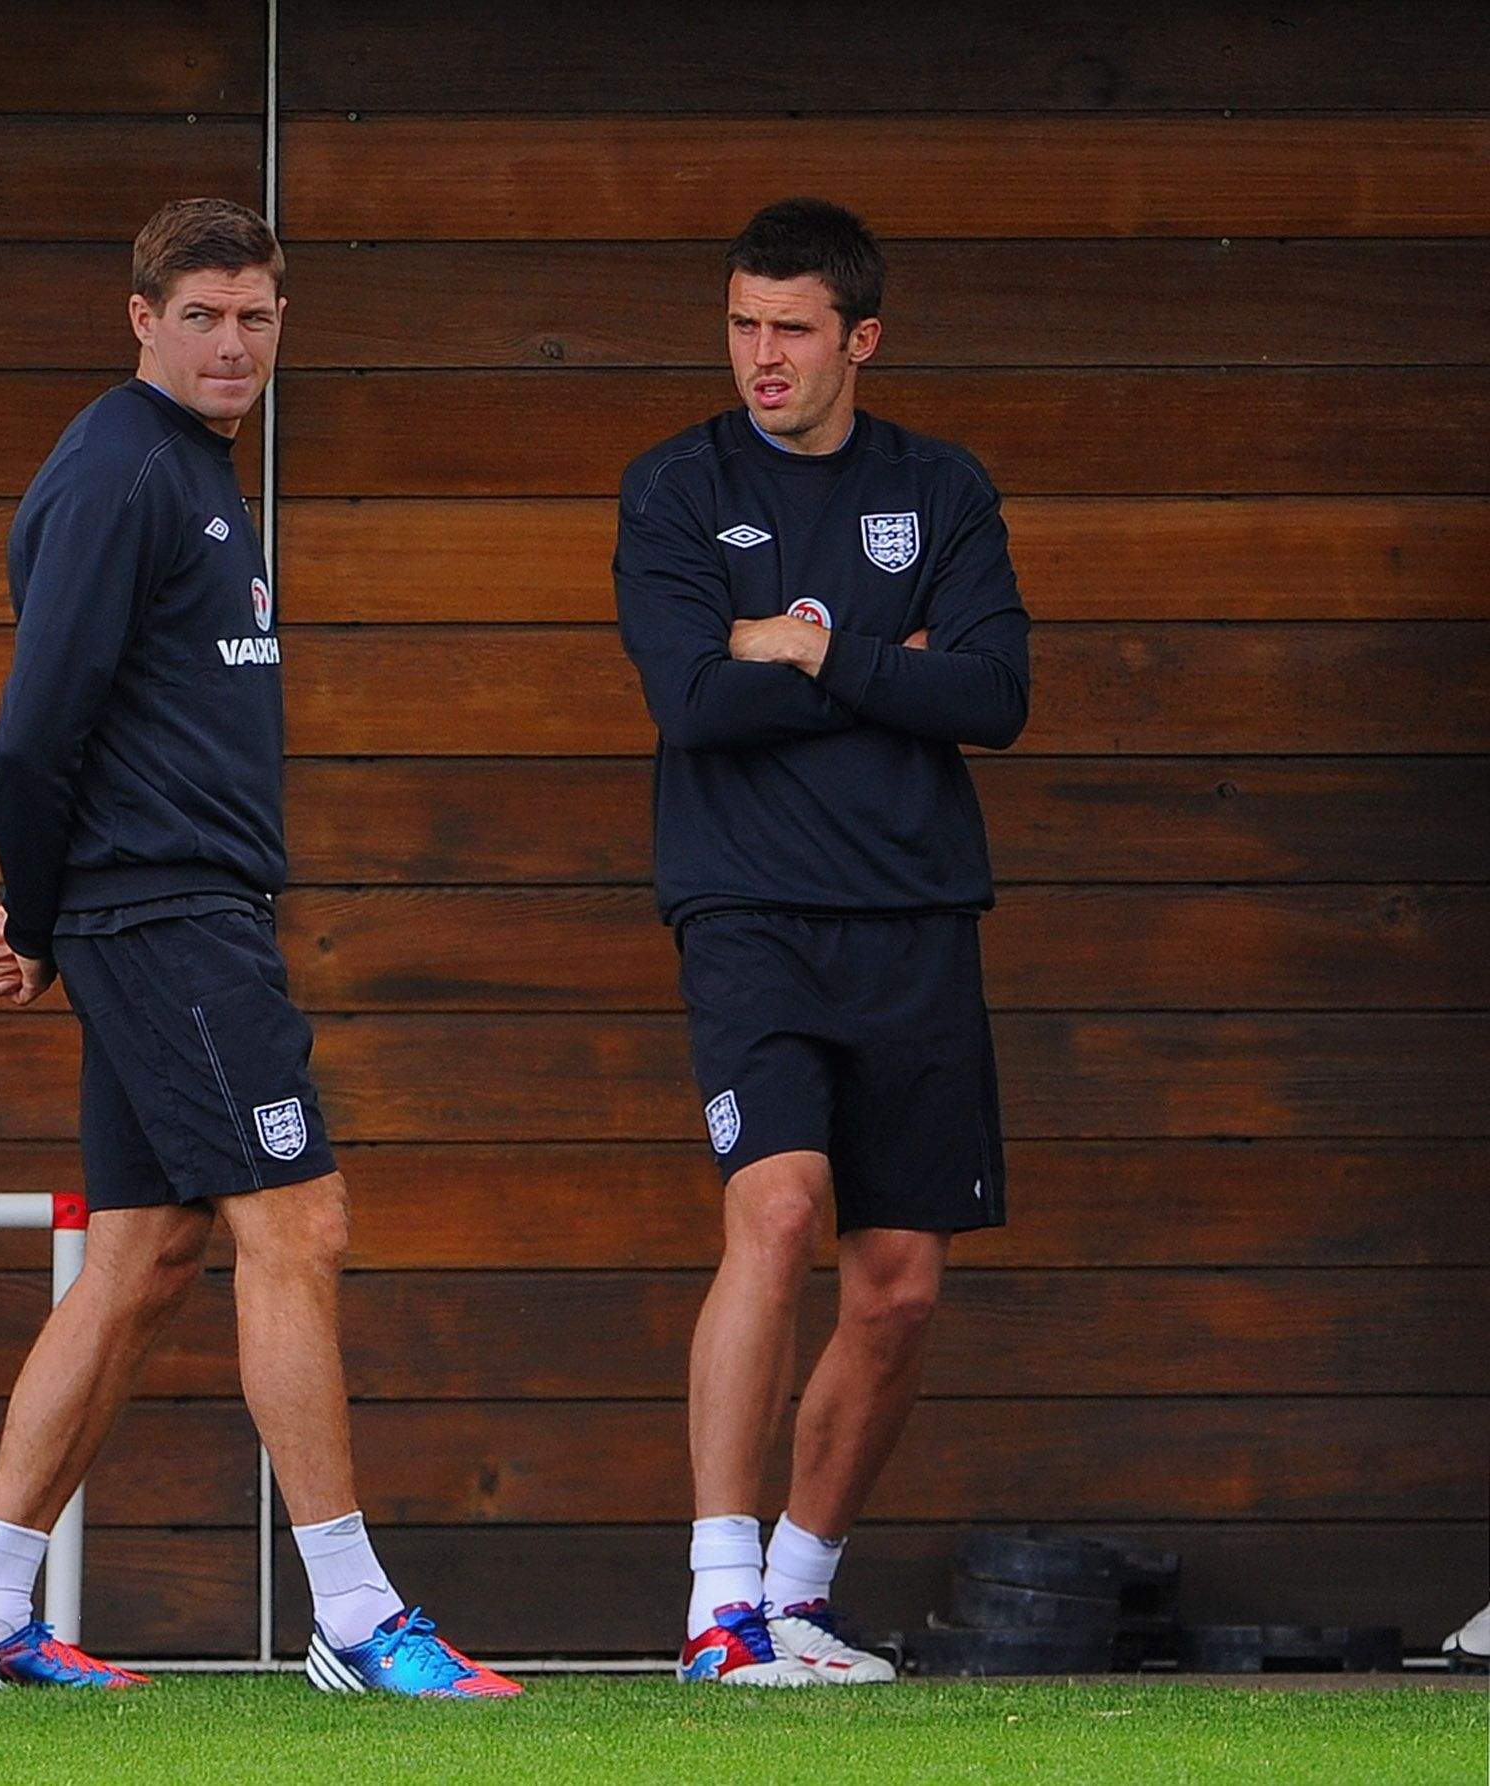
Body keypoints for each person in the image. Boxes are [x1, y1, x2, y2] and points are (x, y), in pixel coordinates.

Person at [0, 198, 516, 1701]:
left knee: (137, 1255)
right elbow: (27, 741)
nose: (234, 343)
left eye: (257, 316)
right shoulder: (122, 472)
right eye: (203, 316)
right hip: (170, 923)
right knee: (296, 1226)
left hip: (164, 915)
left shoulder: (190, 470)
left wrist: (61, 916)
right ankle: (357, 1615)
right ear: (140, 318)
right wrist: (49, 918)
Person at [613, 197, 1032, 1687]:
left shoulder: (944, 486)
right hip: (747, 907)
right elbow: (690, 701)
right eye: (741, 324)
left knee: (901, 1281)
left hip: (916, 910)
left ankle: (799, 1592)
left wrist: (797, 642)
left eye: (792, 328)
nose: (761, 356)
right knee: (777, 1211)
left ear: (861, 336)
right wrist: (884, 667)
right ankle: (718, 1603)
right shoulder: (674, 490)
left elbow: (992, 694)